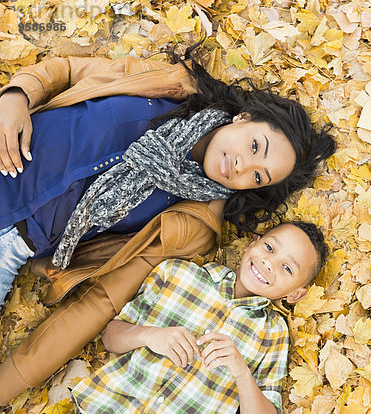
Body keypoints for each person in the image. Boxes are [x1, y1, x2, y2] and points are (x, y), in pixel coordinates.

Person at [0, 44, 336, 404]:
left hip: (12, 247)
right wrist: (17, 94)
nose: (241, 167)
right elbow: (66, 72)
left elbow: (98, 304)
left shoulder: (191, 221)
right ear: (244, 117)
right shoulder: (169, 86)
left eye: (257, 177)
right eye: (255, 146)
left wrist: (9, 383)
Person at [70, 220, 328, 413]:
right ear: (252, 243)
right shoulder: (177, 273)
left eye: (286, 267)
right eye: (269, 247)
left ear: (295, 295)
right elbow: (110, 337)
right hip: (108, 405)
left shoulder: (273, 332)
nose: (269, 262)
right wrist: (149, 335)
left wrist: (241, 372)